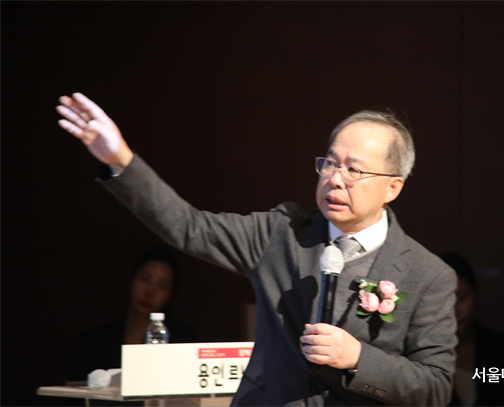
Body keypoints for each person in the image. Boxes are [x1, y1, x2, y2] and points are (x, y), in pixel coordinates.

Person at [57, 92, 457, 406]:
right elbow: (188, 227)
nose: (336, 179)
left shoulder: (428, 275)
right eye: (330, 163)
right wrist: (120, 159)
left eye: (354, 170)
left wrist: (358, 358)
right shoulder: (280, 234)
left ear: (392, 187)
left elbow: (436, 387)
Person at [68, 247, 198, 383]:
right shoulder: (94, 342)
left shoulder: (184, 342)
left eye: (162, 285)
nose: (149, 292)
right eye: (145, 279)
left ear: (171, 294)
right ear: (131, 279)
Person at [439, 253, 504, 407]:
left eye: (461, 298)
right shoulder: (413, 359)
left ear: (475, 294)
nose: (454, 310)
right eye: (443, 301)